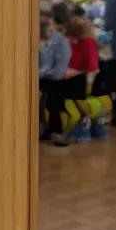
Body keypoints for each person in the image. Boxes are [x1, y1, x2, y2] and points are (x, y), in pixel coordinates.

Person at [64, 10, 103, 140]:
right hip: (80, 76)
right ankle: (90, 129)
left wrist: (75, 72)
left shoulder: (87, 43)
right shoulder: (77, 42)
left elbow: (91, 66)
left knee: (81, 103)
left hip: (88, 78)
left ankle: (82, 131)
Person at [39, 8, 71, 139]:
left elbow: (61, 63)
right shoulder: (42, 37)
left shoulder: (59, 39)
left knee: (53, 103)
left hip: (54, 78)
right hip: (44, 76)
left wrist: (45, 74)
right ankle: (45, 128)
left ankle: (55, 130)